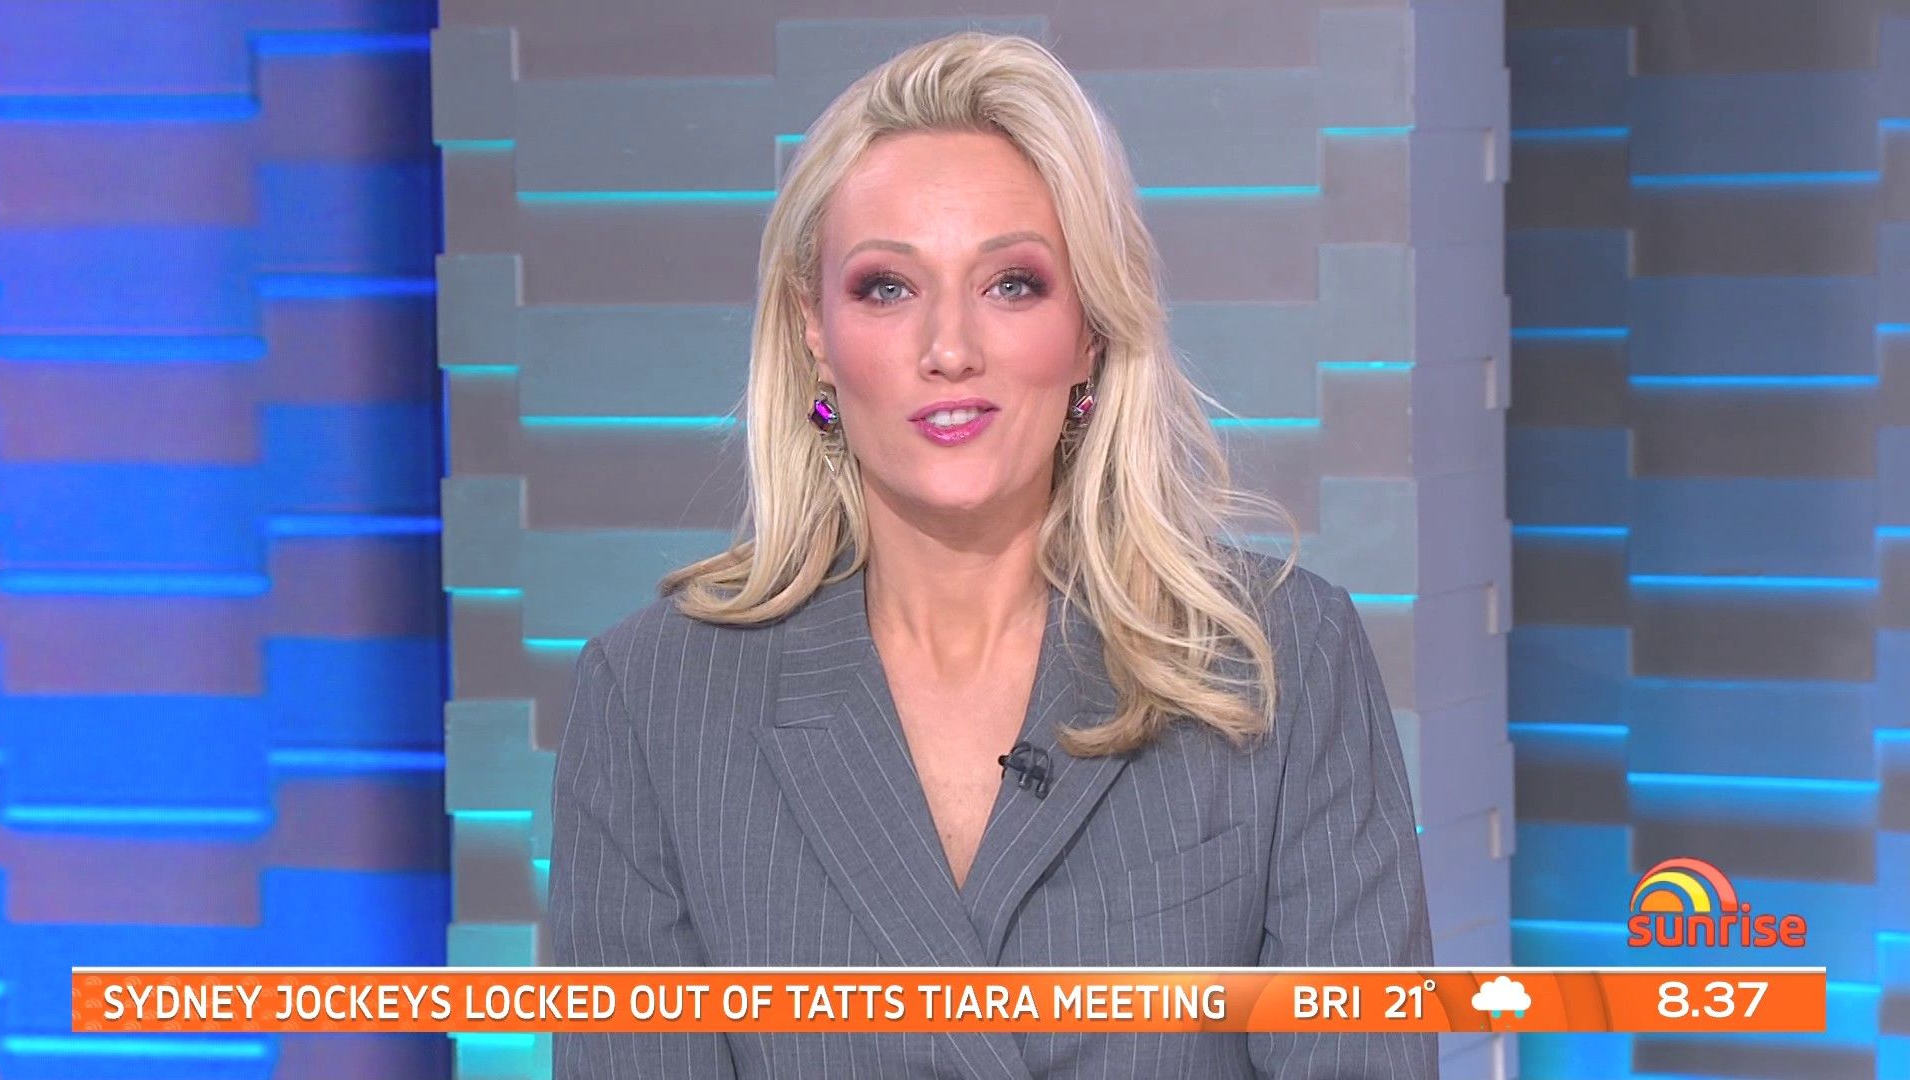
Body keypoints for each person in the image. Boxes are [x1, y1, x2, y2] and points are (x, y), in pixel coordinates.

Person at [548, 30, 1435, 1079]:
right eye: (887, 288)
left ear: (1091, 327)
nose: (950, 349)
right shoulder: (655, 702)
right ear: (813, 331)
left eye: (1012, 284)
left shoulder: (1280, 658)